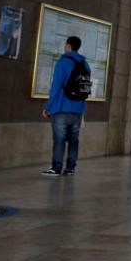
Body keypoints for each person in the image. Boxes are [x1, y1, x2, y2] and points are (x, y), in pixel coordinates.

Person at [42, 35, 89, 176]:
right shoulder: (85, 64)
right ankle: (70, 168)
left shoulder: (62, 62)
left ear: (68, 46)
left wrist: (48, 106)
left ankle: (56, 168)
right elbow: (85, 88)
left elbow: (56, 86)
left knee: (59, 139)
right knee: (73, 140)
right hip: (78, 109)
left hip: (61, 107)